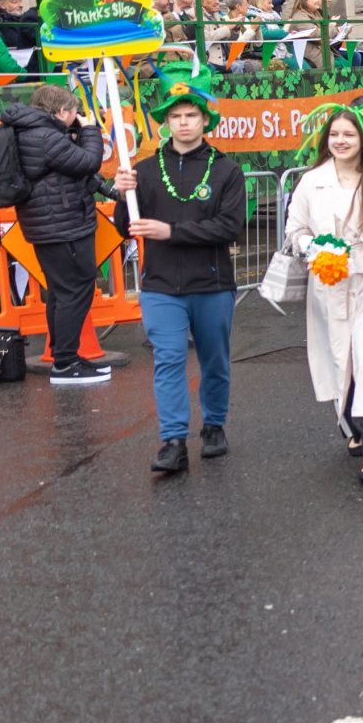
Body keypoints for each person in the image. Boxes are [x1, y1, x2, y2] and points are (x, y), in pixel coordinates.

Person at [112, 74, 244, 473]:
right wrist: (123, 196)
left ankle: (215, 426)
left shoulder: (226, 171)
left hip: (212, 283)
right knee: (168, 359)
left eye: (191, 114)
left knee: (214, 360)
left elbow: (230, 226)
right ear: (165, 123)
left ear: (205, 120)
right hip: (161, 284)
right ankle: (172, 440)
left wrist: (171, 232)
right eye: (176, 116)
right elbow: (127, 227)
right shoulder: (145, 170)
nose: (184, 122)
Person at [284, 103, 363, 482]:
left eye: (349, 135)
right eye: (335, 134)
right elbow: (295, 231)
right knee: (341, 359)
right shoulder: (311, 182)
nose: (341, 141)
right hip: (330, 281)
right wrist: (317, 249)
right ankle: (353, 426)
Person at [0, 84, 108, 382]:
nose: (76, 118)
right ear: (62, 111)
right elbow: (89, 161)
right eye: (74, 113)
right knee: (76, 290)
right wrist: (89, 130)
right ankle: (65, 362)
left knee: (61, 293)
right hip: (64, 225)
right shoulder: (47, 137)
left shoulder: (26, 131)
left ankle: (65, 357)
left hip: (45, 224)